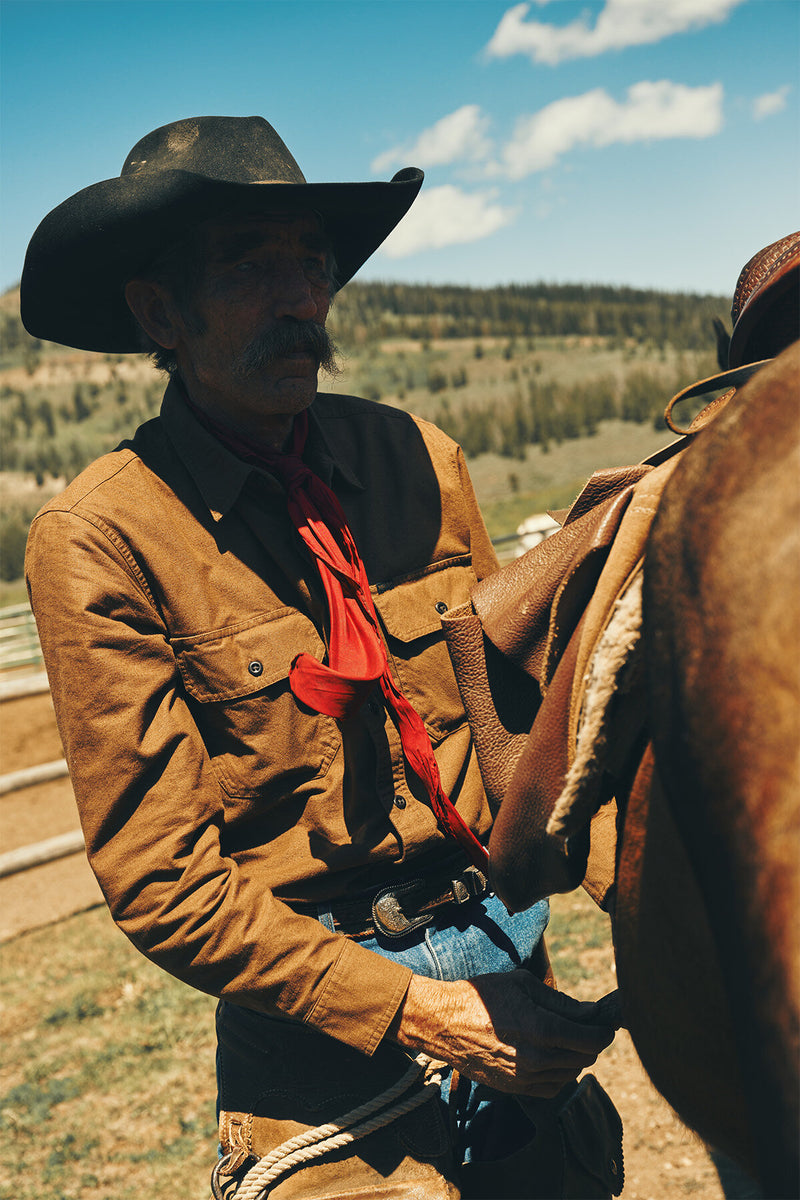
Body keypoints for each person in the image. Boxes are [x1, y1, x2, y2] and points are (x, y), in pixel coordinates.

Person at [22, 116, 618, 1198]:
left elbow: (517, 729)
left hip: (505, 955)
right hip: (318, 1032)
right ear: (158, 308)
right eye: (251, 262)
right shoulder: (103, 537)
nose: (300, 296)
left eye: (311, 261)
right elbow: (162, 882)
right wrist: (410, 1009)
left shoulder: (414, 458)